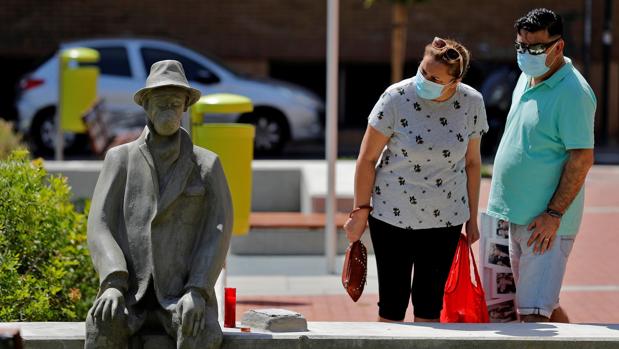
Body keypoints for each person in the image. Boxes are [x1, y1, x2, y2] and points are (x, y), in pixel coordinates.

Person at [85, 60, 233, 349]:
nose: (169, 109)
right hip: (129, 293)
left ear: (185, 108)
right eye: (161, 102)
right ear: (146, 106)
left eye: (175, 103)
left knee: (200, 330)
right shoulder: (121, 160)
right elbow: (99, 223)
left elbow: (218, 229)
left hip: (182, 294)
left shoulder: (206, 165)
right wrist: (113, 281)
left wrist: (198, 289)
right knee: (103, 321)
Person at [344, 37, 488, 322]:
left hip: (445, 219)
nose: (424, 79)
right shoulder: (396, 97)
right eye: (423, 71)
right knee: (392, 306)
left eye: (434, 77)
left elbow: (472, 163)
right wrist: (360, 211)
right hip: (391, 217)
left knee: (429, 306)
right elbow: (367, 158)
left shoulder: (472, 102)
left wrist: (472, 218)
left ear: (454, 81)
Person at [487, 8, 596, 323]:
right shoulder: (527, 77)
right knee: (539, 306)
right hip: (514, 217)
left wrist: (553, 215)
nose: (526, 54)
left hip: (545, 225)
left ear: (558, 46)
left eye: (535, 48)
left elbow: (582, 158)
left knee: (534, 317)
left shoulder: (573, 92)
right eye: (521, 46)